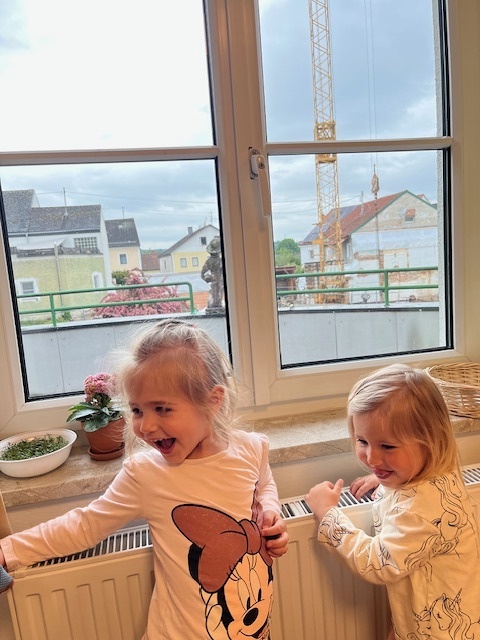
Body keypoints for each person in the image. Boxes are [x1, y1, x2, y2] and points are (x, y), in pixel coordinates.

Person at [0, 319, 288, 639]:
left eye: (162, 409)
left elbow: (264, 483)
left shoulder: (251, 448)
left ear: (213, 400)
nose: (146, 426)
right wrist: (8, 550)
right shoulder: (145, 474)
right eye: (137, 410)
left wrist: (271, 512)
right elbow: (85, 525)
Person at [306, 363, 480, 640]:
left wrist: (328, 513)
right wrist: (386, 476)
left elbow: (377, 562)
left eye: (387, 447)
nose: (372, 458)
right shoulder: (436, 474)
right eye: (362, 441)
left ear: (429, 442)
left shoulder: (422, 509)